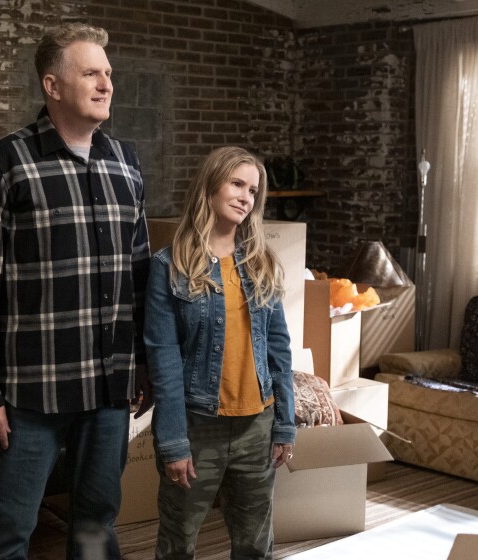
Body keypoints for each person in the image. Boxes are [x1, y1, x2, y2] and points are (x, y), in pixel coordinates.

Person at [0, 22, 152, 560]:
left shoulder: (125, 163)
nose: (106, 83)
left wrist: (143, 361)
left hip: (109, 390)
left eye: (108, 73)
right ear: (52, 85)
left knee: (95, 527)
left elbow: (139, 277)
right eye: (91, 72)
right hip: (28, 394)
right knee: (7, 534)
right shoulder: (3, 162)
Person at [143, 146, 295, 559]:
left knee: (254, 546)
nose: (246, 196)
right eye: (237, 183)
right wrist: (173, 442)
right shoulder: (169, 265)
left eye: (253, 190)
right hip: (197, 425)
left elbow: (280, 350)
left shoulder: (262, 262)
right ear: (210, 187)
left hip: (257, 428)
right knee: (178, 543)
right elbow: (164, 360)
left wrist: (284, 424)